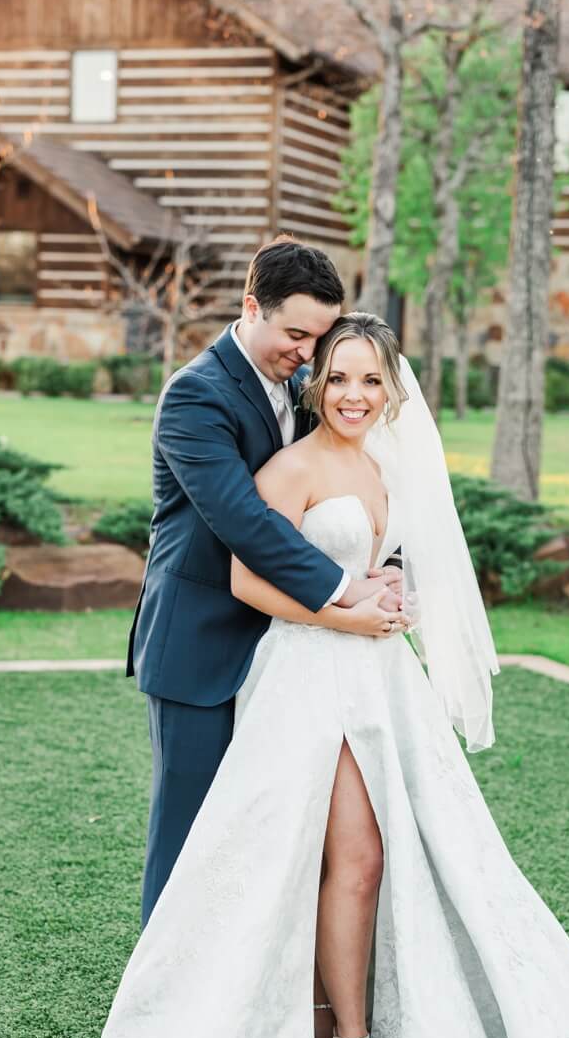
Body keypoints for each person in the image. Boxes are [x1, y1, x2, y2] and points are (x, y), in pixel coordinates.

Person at [87, 313, 569, 1038]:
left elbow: (388, 557)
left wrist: (394, 586)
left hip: (378, 681)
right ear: (314, 384)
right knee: (346, 859)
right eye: (338, 377)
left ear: (392, 389)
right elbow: (247, 582)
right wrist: (345, 615)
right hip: (307, 677)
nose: (354, 394)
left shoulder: (382, 468)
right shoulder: (290, 467)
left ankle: (341, 1016)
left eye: (371, 379)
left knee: (403, 853)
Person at [129, 237, 404, 927]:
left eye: (320, 336)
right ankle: (165, 1012)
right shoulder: (196, 394)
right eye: (296, 333)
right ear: (250, 306)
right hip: (200, 649)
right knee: (191, 835)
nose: (310, 352)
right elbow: (244, 521)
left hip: (285, 653)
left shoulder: (302, 385)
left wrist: (389, 568)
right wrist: (348, 590)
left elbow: (346, 482)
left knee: (272, 837)